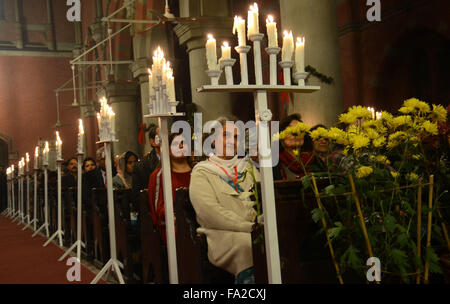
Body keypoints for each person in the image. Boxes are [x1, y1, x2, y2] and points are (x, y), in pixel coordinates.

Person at [189, 117, 259, 284]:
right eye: (225, 135)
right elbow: (209, 212)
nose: (231, 141)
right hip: (222, 234)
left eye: (236, 137)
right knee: (248, 246)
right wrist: (247, 227)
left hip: (254, 229)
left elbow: (264, 199)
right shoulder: (202, 172)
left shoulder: (247, 168)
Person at [148, 133, 192, 245]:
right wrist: (177, 218)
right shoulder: (159, 175)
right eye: (176, 144)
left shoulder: (197, 171)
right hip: (172, 224)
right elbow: (158, 208)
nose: (181, 146)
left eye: (184, 143)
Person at [273, 113, 311, 180]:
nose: (296, 133)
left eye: (300, 130)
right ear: (281, 135)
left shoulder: (313, 158)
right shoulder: (273, 161)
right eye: (291, 130)